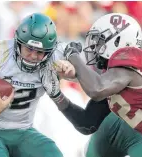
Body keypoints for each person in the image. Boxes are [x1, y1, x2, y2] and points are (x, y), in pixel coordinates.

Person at [0, 13, 67, 157]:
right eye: (29, 49)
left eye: (40, 51)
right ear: (18, 42)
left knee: (52, 153)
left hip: (23, 131)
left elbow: (89, 82)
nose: (33, 56)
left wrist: (72, 72)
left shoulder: (54, 61)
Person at [54, 13, 142, 157]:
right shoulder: (115, 78)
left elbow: (97, 89)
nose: (94, 47)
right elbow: (88, 123)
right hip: (132, 131)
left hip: (137, 137)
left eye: (99, 41)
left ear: (118, 41)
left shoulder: (129, 60)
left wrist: (72, 55)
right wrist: (56, 95)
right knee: (93, 148)